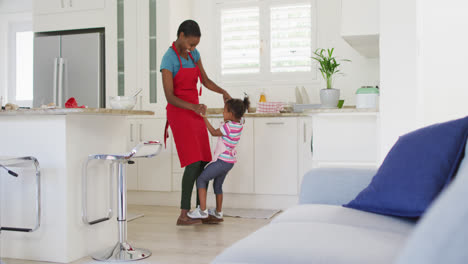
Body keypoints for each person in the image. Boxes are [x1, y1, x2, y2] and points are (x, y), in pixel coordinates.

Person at [160, 20, 231, 226]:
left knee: (203, 162)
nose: (192, 48)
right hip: (179, 112)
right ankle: (184, 214)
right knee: (192, 161)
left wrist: (223, 92)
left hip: (195, 110)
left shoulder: (194, 55)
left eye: (195, 45)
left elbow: (205, 81)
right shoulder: (168, 59)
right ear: (181, 35)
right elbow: (169, 96)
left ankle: (200, 211)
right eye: (191, 44)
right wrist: (193, 107)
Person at [188, 97, 250, 223]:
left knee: (201, 179)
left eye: (224, 111)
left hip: (222, 161)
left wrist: (204, 117)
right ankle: (218, 212)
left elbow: (213, 132)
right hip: (230, 162)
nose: (222, 113)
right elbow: (237, 115)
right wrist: (228, 104)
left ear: (231, 114)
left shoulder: (228, 126)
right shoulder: (239, 124)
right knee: (218, 185)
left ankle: (202, 211)